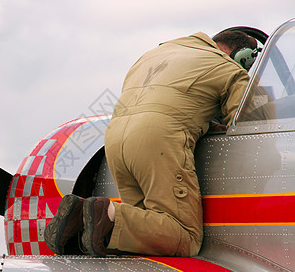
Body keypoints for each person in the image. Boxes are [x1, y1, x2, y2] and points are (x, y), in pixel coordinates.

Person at [45, 30, 257, 256]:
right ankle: (106, 214)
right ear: (242, 56)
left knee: (143, 236)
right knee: (185, 236)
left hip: (114, 141)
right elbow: (251, 123)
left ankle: (79, 215)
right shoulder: (229, 69)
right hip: (158, 141)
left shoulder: (152, 56)